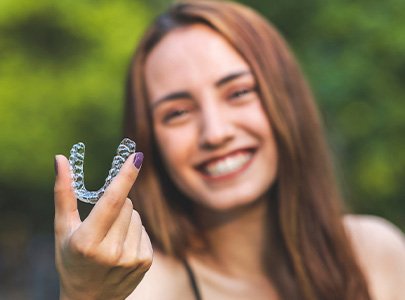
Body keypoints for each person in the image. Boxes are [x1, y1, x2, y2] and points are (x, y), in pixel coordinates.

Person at [53, 1, 405, 299]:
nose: (216, 133)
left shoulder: (375, 254)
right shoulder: (141, 289)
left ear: (287, 100)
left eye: (238, 93)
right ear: (150, 140)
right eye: (177, 113)